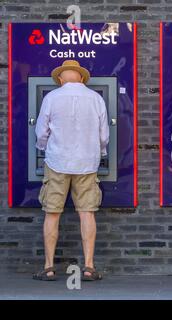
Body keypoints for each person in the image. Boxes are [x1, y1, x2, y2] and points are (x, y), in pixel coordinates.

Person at [32, 60, 109, 281]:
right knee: (87, 212)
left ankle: (48, 267)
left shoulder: (51, 98)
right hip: (87, 162)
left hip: (57, 162)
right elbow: (104, 135)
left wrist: (44, 148)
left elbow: (41, 132)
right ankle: (88, 267)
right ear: (82, 78)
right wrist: (99, 151)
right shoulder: (96, 99)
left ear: (60, 79)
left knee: (52, 213)